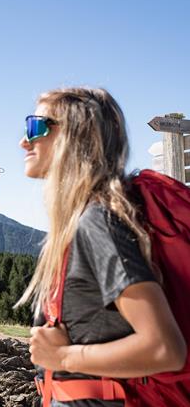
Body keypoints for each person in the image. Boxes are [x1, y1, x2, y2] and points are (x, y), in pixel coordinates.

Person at [16, 88, 187, 406]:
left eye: (35, 126)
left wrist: (64, 357)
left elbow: (164, 348)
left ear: (75, 133)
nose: (24, 141)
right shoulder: (87, 218)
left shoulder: (97, 221)